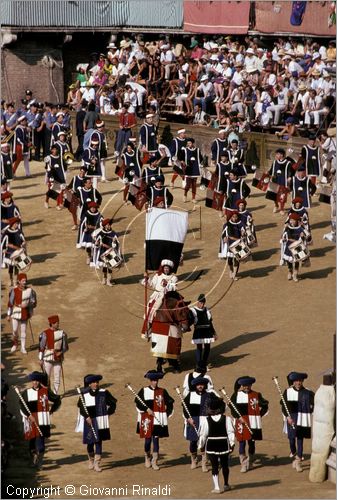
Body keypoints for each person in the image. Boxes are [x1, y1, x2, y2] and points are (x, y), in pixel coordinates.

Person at [18, 371, 61, 469]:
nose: (35, 382)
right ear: (31, 381)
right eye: (33, 380)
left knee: (40, 445)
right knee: (32, 444)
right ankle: (33, 460)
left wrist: (51, 410)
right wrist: (28, 415)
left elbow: (57, 400)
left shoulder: (46, 391)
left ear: (40, 381)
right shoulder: (27, 392)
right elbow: (22, 405)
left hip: (42, 422)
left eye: (37, 380)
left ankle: (40, 461)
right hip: (31, 421)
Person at [76, 374, 117, 472]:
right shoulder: (84, 394)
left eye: (97, 382)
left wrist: (108, 413)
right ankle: (91, 459)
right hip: (89, 421)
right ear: (89, 384)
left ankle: (97, 463)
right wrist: (86, 417)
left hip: (100, 420)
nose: (96, 384)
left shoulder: (104, 392)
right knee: (90, 442)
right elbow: (81, 408)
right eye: (94, 382)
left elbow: (113, 403)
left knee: (99, 441)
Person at [135, 370, 174, 470]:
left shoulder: (162, 391)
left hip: (157, 419)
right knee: (147, 441)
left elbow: (170, 402)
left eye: (156, 380)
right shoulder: (143, 390)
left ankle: (154, 461)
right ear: (150, 380)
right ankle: (147, 457)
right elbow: (138, 403)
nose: (155, 382)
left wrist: (166, 414)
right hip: (146, 419)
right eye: (153, 380)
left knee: (156, 440)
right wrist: (146, 409)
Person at [230, 376, 269, 473]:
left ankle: (250, 461)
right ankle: (243, 463)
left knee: (252, 442)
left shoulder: (256, 395)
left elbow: (265, 405)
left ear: (251, 385)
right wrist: (239, 417)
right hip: (241, 422)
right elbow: (232, 408)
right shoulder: (236, 395)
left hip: (253, 422)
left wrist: (259, 415)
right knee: (242, 442)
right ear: (241, 386)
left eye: (248, 385)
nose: (246, 387)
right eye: (244, 385)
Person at [182, 377, 220, 472]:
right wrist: (188, 418)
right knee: (193, 442)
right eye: (198, 385)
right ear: (195, 385)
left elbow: (220, 405)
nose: (200, 386)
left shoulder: (210, 395)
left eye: (202, 384)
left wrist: (215, 412)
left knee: (205, 442)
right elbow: (185, 409)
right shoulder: (190, 395)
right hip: (193, 420)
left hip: (206, 421)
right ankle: (194, 460)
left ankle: (204, 462)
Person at [198, 399, 235, 493]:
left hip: (211, 445)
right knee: (225, 465)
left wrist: (201, 446)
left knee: (214, 466)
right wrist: (232, 443)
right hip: (223, 444)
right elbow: (230, 432)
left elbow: (203, 435)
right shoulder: (227, 419)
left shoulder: (206, 420)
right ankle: (226, 484)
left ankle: (217, 487)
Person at [281, 372, 315, 472]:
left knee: (300, 439)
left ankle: (298, 460)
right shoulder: (287, 391)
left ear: (302, 381)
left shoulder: (308, 392)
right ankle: (294, 452)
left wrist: (311, 410)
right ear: (293, 382)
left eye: (300, 381)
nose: (298, 383)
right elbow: (284, 406)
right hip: (292, 417)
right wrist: (288, 417)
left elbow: (315, 403)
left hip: (302, 418)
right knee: (292, 439)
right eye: (296, 381)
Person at [143, 259, 178, 333]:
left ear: (170, 269)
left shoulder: (174, 278)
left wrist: (167, 285)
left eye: (167, 268)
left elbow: (174, 288)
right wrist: (147, 278)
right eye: (165, 268)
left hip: (168, 296)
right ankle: (149, 324)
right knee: (151, 307)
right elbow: (152, 284)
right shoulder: (158, 276)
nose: (166, 269)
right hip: (157, 296)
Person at [7, 272, 37, 354]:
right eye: (23, 281)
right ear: (19, 281)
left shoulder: (30, 291)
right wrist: (8, 314)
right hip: (16, 311)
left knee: (23, 330)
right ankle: (15, 344)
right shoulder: (14, 290)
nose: (25, 282)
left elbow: (33, 302)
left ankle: (23, 347)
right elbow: (10, 303)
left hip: (25, 312)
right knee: (15, 330)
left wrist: (29, 308)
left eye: (25, 280)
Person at [38, 315, 69, 394]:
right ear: (51, 323)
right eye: (56, 323)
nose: (58, 324)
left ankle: (55, 394)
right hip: (47, 357)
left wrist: (61, 352)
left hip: (58, 358)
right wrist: (40, 359)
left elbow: (65, 347)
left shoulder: (62, 334)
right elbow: (41, 348)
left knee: (57, 377)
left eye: (58, 322)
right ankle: (47, 393)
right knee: (46, 377)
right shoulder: (45, 333)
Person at [189, 294, 217, 370]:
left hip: (207, 331)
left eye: (203, 303)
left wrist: (214, 333)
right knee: (199, 348)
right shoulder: (193, 311)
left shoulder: (207, 310)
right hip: (199, 331)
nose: (202, 305)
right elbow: (190, 321)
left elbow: (210, 323)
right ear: (198, 302)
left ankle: (204, 363)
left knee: (207, 348)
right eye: (201, 303)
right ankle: (198, 364)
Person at [280, 212, 309, 282]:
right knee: (289, 260)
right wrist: (283, 238)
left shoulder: (300, 228)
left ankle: (295, 274)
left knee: (296, 261)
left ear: (297, 221)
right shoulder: (287, 227)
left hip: (297, 247)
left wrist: (303, 236)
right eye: (291, 220)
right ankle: (290, 271)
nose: (292, 221)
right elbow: (283, 236)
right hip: (289, 246)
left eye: (293, 220)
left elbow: (307, 235)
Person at [92, 218, 121, 286]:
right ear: (104, 226)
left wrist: (114, 241)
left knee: (110, 266)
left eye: (109, 225)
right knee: (105, 267)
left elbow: (116, 245)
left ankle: (109, 280)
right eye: (107, 225)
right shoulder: (101, 233)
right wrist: (98, 243)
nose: (109, 226)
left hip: (110, 252)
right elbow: (96, 243)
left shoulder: (113, 233)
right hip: (103, 251)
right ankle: (104, 278)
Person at [219, 210, 246, 280]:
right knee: (230, 260)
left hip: (238, 244)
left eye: (236, 217)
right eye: (233, 217)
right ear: (231, 217)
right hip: (230, 245)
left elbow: (243, 229)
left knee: (237, 259)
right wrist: (224, 237)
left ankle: (234, 274)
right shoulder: (227, 225)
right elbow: (223, 233)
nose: (235, 218)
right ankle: (231, 270)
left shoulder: (240, 224)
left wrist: (243, 232)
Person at [267, 148, 294, 214]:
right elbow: (270, 171)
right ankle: (276, 206)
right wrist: (267, 174)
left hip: (283, 182)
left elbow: (291, 172)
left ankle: (282, 209)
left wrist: (289, 177)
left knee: (282, 196)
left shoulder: (288, 163)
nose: (276, 155)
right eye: (276, 154)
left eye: (278, 154)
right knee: (274, 196)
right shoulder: (274, 162)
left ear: (282, 155)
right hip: (275, 181)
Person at [2, 217, 27, 286]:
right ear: (12, 224)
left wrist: (24, 243)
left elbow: (23, 240)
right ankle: (11, 280)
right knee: (10, 267)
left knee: (17, 267)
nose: (17, 225)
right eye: (16, 223)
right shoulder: (7, 232)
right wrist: (4, 249)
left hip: (18, 252)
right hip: (10, 253)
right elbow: (3, 242)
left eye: (18, 223)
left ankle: (16, 280)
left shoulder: (19, 231)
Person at [181, 137, 203, 204]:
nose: (188, 144)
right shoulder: (185, 150)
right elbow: (182, 159)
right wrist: (183, 163)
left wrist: (198, 164)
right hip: (188, 169)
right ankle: (185, 195)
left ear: (192, 143)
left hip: (195, 168)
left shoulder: (197, 150)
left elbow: (201, 158)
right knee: (188, 184)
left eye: (190, 143)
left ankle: (193, 198)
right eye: (187, 143)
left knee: (194, 184)